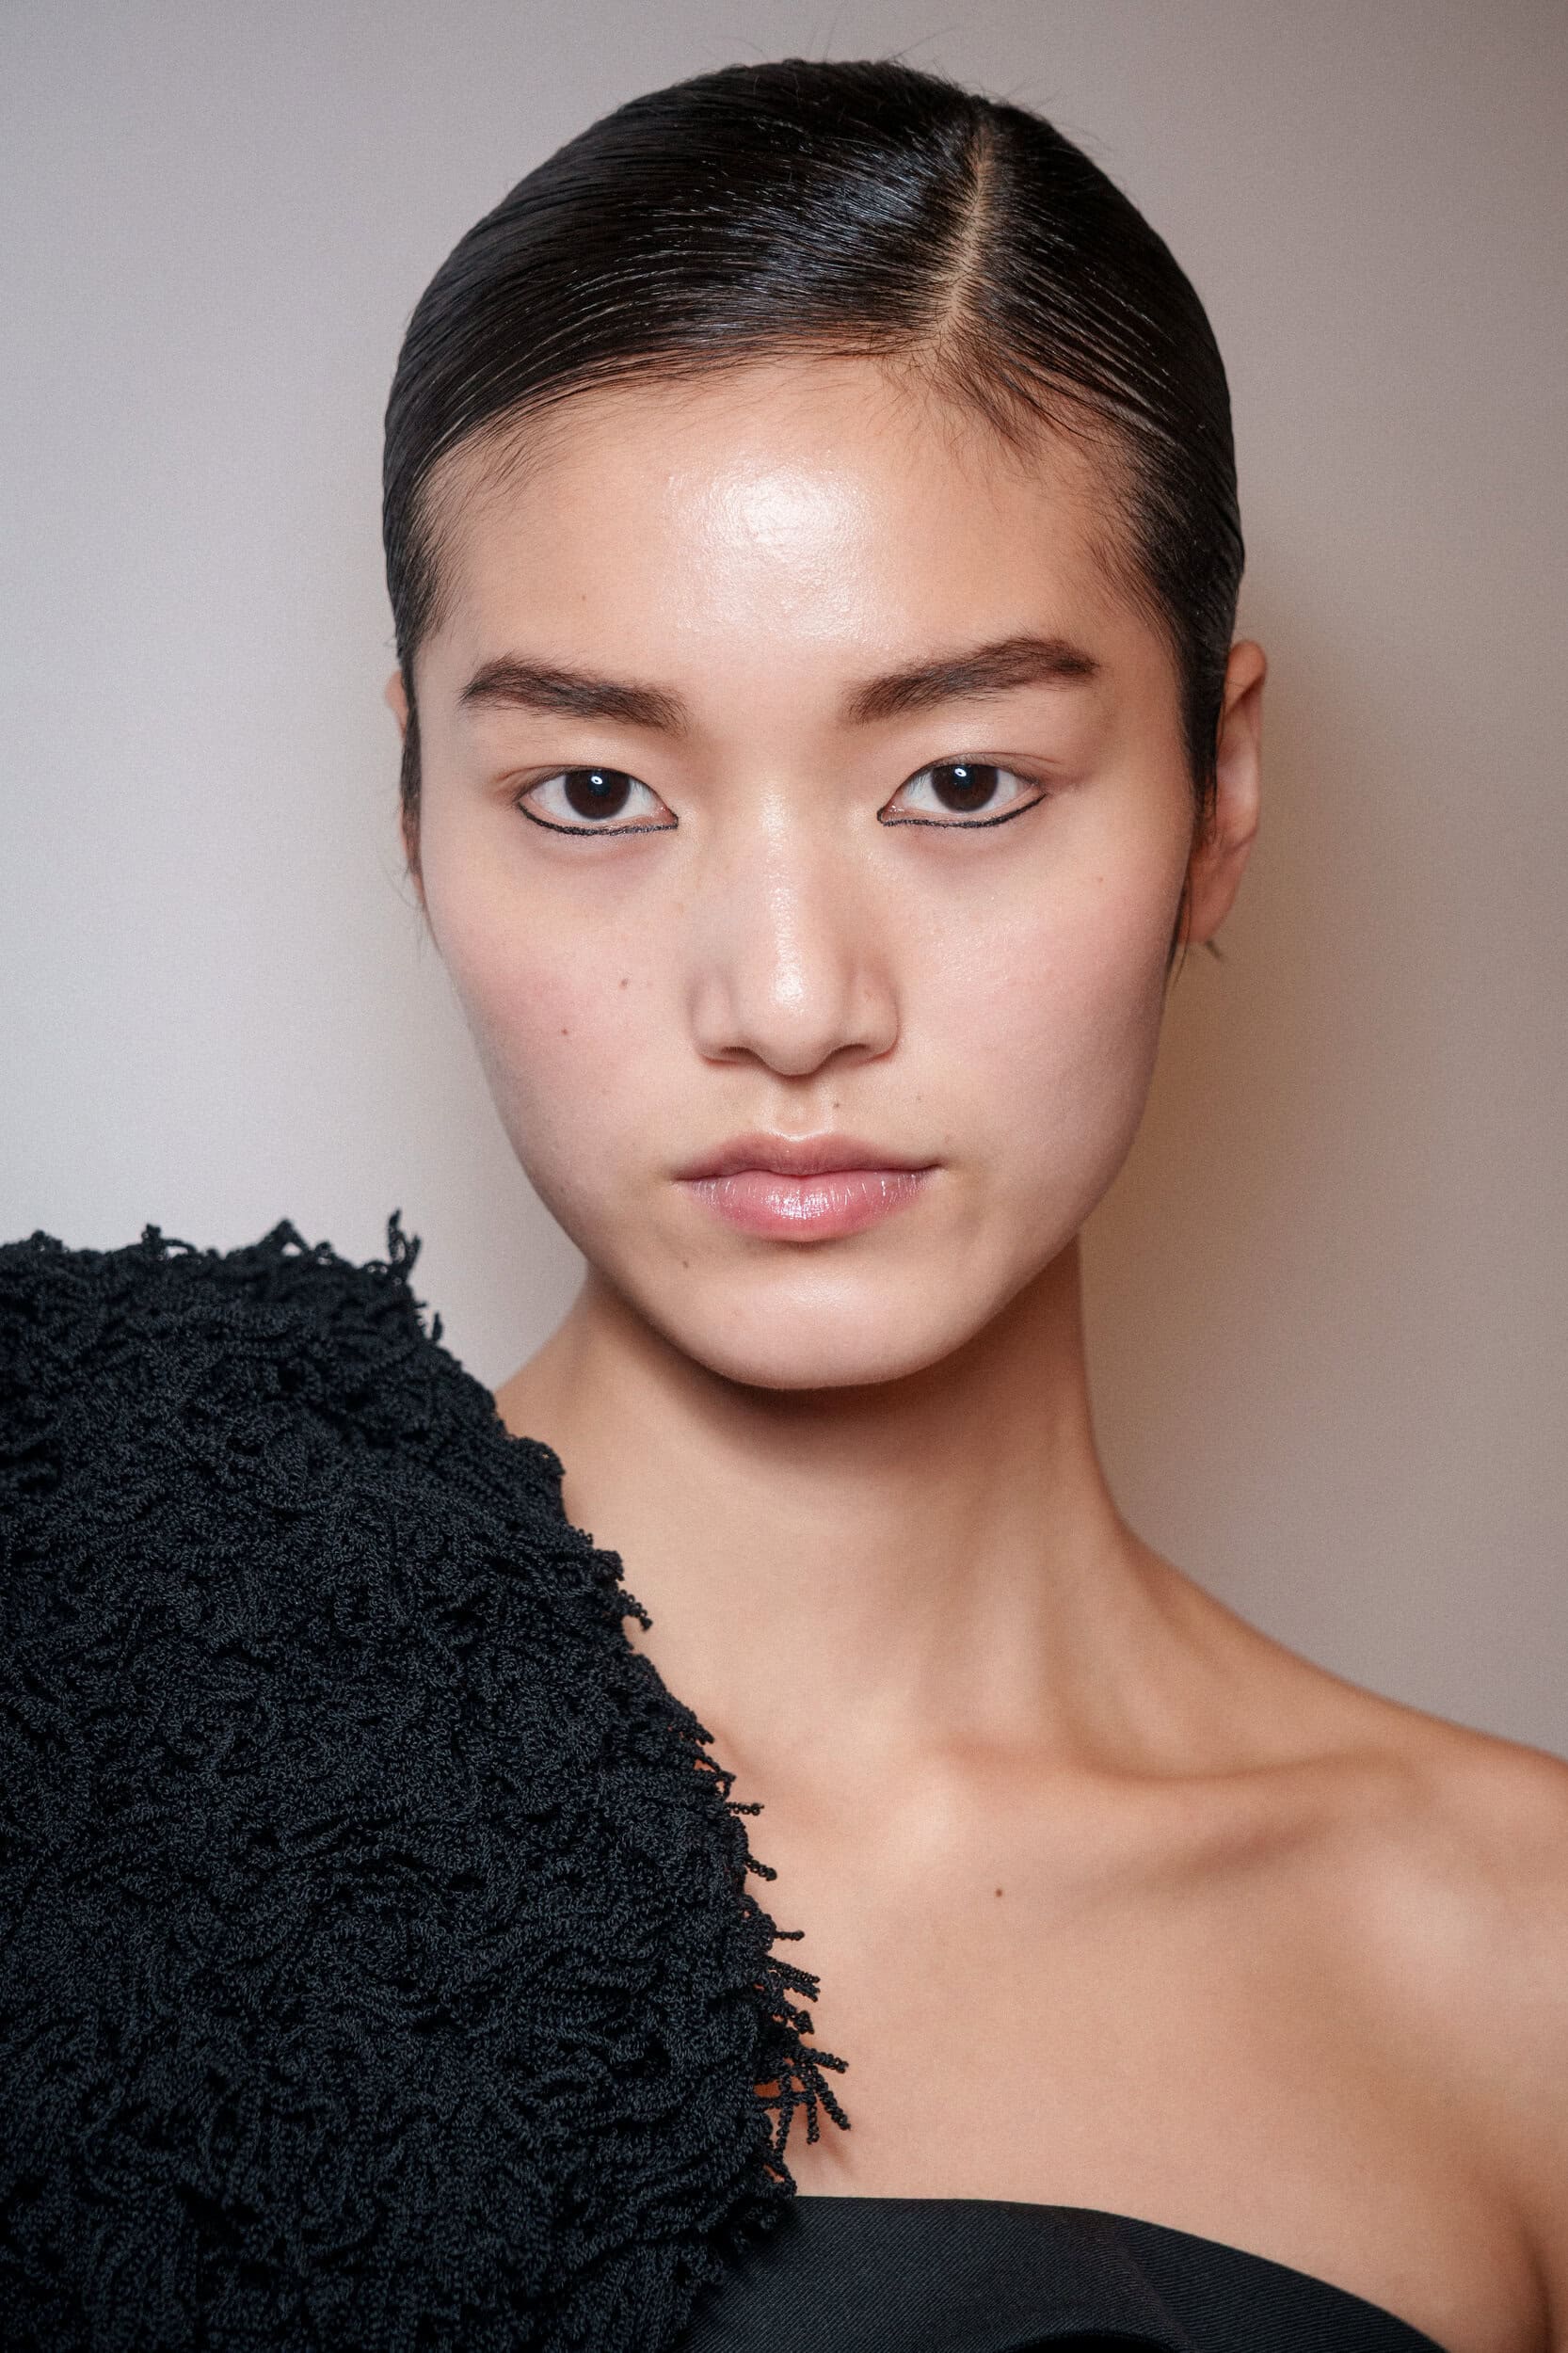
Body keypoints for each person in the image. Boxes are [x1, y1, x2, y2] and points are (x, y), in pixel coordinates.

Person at [1, 54, 1562, 2353]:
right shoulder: (70, 1700)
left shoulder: (1516, 1967)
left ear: (1215, 791)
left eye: (960, 779)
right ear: (414, 807)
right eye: (593, 791)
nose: (789, 999)